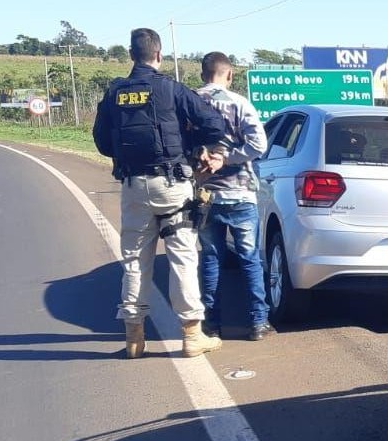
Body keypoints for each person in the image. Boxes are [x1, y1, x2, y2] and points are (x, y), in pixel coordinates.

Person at [93, 28, 227, 359]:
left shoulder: (114, 94)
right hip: (173, 185)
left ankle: (134, 338)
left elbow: (102, 142)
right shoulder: (171, 89)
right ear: (159, 55)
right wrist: (199, 148)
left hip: (133, 186)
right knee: (183, 256)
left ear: (130, 55)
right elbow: (215, 125)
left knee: (136, 261)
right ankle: (192, 336)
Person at [194, 52, 274, 341]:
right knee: (250, 259)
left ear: (203, 74)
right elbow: (258, 145)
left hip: (205, 195)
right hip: (241, 193)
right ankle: (258, 323)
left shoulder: (189, 103)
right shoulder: (240, 104)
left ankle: (211, 323)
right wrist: (227, 158)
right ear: (229, 75)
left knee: (211, 259)